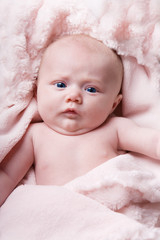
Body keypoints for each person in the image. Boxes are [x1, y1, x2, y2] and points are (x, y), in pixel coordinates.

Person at [0, 34, 160, 207]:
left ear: (113, 104)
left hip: (107, 210)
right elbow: (8, 176)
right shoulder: (34, 135)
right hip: (59, 211)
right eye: (60, 85)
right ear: (37, 91)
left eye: (91, 89)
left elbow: (152, 142)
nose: (74, 96)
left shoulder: (116, 128)